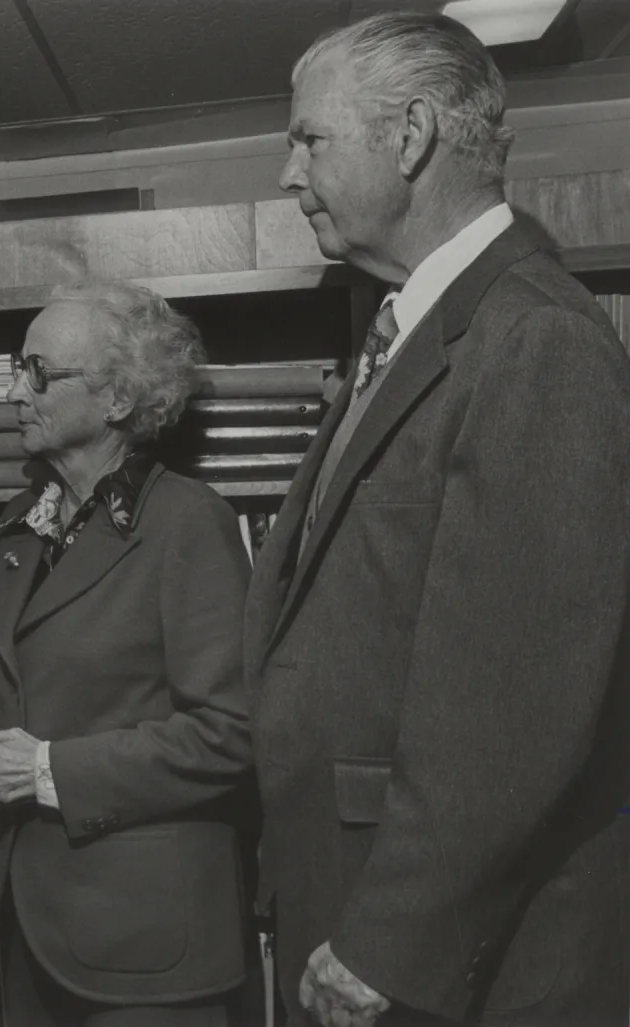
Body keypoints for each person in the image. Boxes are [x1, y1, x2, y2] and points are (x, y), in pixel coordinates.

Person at [249, 12, 630, 1026]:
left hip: (431, 959)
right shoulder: (418, 330)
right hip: (361, 901)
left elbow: (516, 702)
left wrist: (389, 942)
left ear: (411, 134)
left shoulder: (536, 339)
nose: (287, 174)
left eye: (308, 139)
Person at [0, 282, 254, 1027]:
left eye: (39, 373)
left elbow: (231, 734)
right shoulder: (22, 527)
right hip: (28, 928)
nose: (14, 391)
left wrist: (49, 770)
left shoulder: (189, 523)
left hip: (145, 946)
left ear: (117, 399)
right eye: (17, 368)